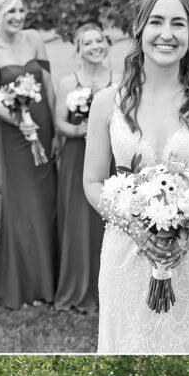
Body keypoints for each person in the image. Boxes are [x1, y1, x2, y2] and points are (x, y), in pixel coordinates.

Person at [83, 0, 189, 353]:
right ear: (139, 28)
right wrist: (137, 231)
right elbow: (92, 182)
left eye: (178, 23)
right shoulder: (106, 101)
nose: (166, 34)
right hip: (127, 253)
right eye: (157, 21)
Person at [0, 0, 58, 308]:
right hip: (15, 135)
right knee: (24, 204)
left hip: (45, 126)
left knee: (48, 202)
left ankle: (50, 280)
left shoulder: (35, 39)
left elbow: (48, 85)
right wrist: (16, 121)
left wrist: (55, 130)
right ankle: (25, 286)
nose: (17, 17)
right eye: (10, 11)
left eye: (21, 11)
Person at [53, 23, 110, 312]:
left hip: (109, 156)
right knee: (77, 218)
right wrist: (81, 130)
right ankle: (77, 285)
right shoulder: (68, 82)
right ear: (79, 50)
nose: (95, 46)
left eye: (99, 40)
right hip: (77, 155)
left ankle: (108, 288)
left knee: (107, 217)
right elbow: (59, 123)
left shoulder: (119, 80)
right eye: (88, 43)